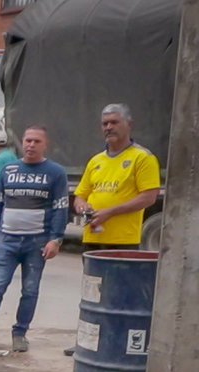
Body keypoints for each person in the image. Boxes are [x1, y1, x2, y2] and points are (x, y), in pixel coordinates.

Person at [64, 103, 162, 356]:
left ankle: (113, 346)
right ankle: (87, 342)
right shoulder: (96, 161)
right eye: (105, 123)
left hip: (123, 242)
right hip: (93, 240)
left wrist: (109, 212)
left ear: (129, 124)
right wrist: (83, 205)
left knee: (119, 298)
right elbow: (80, 195)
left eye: (114, 122)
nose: (109, 127)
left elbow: (149, 197)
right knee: (92, 295)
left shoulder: (142, 158)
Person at [0, 126, 69, 354]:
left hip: (37, 244)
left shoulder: (55, 173)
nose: (31, 145)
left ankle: (20, 334)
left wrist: (56, 239)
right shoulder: (9, 170)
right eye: (27, 140)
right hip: (7, 242)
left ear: (46, 145)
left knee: (30, 291)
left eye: (36, 141)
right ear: (22, 143)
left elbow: (60, 209)